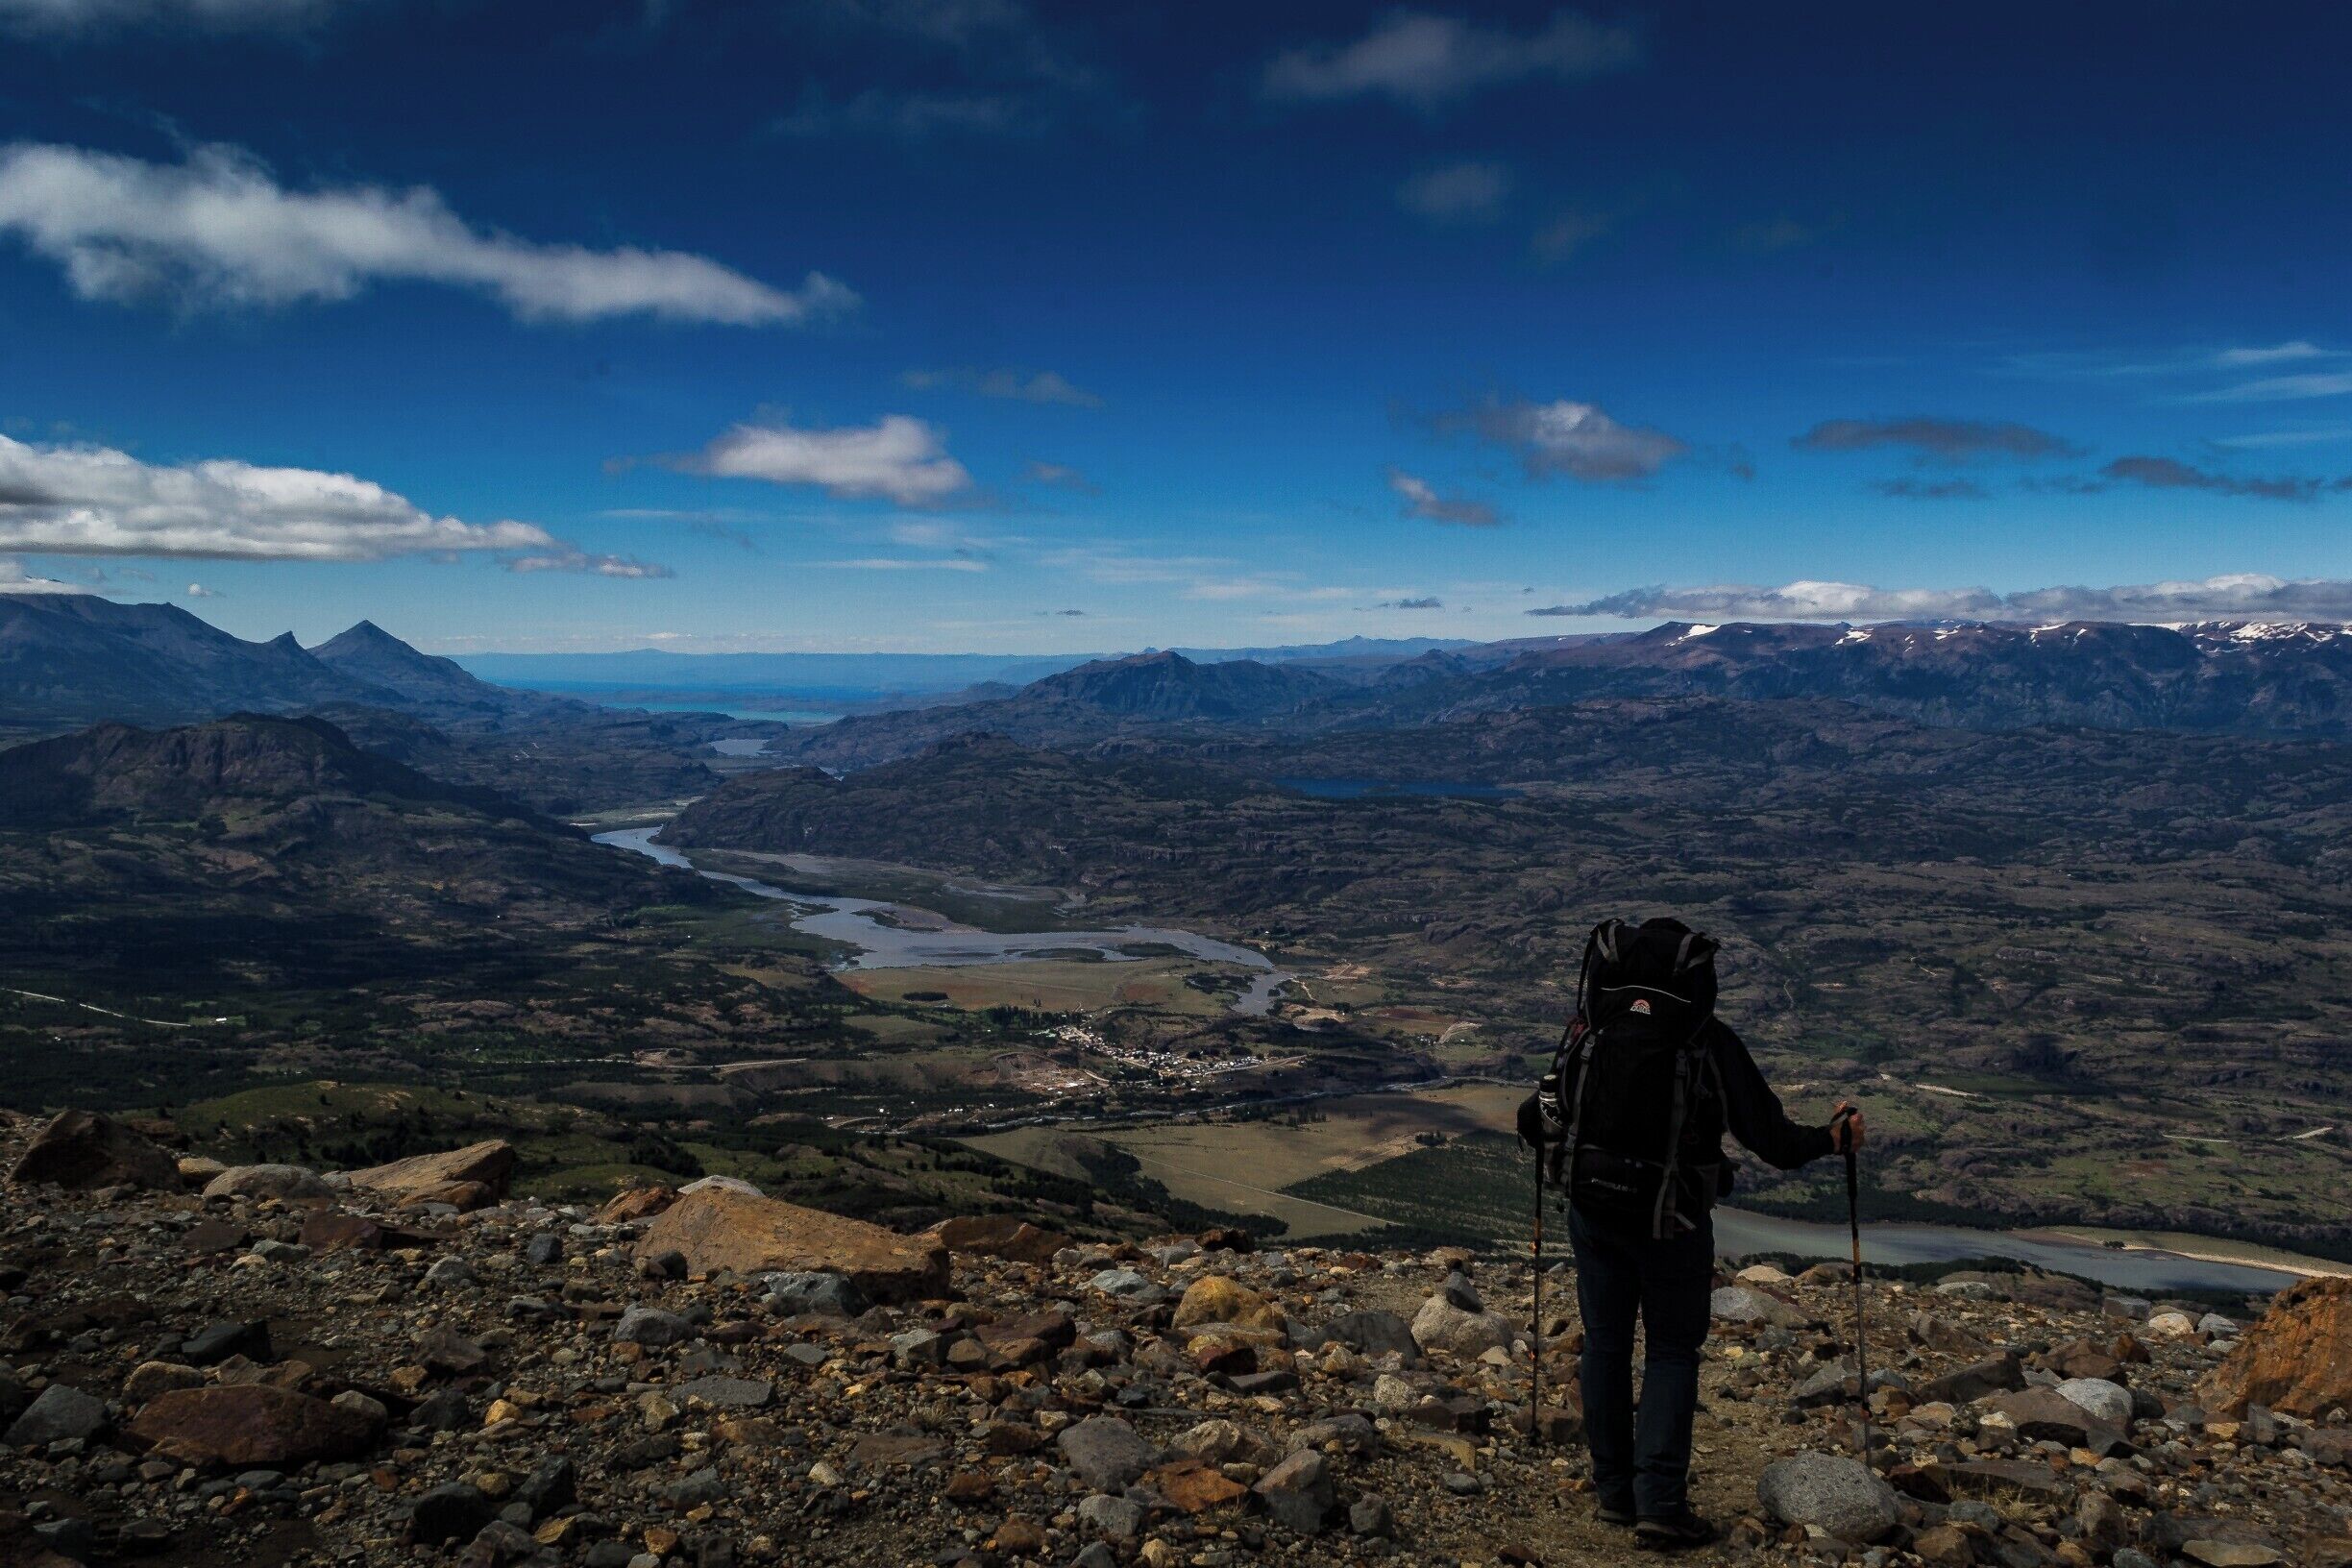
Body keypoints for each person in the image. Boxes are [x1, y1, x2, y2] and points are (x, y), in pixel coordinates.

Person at [1518, 917, 1865, 1552]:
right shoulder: (1708, 1043)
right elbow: (1777, 1144)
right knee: (1672, 1353)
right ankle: (1661, 1505)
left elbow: (1535, 1118)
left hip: (1592, 1216)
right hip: (1671, 1224)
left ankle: (1615, 1494)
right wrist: (1834, 1137)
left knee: (1604, 1345)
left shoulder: (1589, 1031)